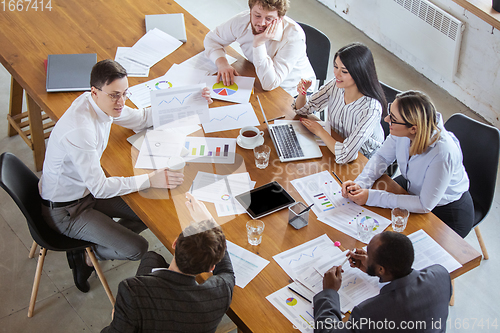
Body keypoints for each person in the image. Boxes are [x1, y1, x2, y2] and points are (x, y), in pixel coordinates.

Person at [39, 59, 213, 293]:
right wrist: (150, 179)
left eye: (124, 93)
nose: (121, 102)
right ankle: (86, 257)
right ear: (94, 92)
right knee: (137, 248)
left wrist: (190, 102)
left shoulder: (102, 103)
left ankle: (106, 233)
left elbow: (141, 119)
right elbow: (100, 188)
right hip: (66, 210)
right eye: (114, 95)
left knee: (147, 211)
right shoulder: (81, 131)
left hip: (86, 192)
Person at [341, 90, 473, 238]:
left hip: (446, 211)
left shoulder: (442, 153)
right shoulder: (405, 130)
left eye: (393, 118)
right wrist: (361, 183)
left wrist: (371, 197)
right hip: (412, 186)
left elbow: (424, 205)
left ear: (413, 128)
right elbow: (383, 157)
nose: (386, 119)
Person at [101, 193, 235, 333]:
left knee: (150, 259)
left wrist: (114, 322)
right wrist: (212, 225)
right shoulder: (219, 296)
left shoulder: (132, 291)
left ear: (175, 243)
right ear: (211, 268)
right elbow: (227, 272)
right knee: (151, 258)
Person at [314, 231, 452, 332]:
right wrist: (373, 269)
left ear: (381, 269)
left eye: (369, 253)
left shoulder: (369, 312)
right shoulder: (441, 274)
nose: (365, 255)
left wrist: (329, 292)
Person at [293, 43, 386, 164]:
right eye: (335, 67)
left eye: (344, 71)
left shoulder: (371, 109)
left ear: (359, 74)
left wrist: (320, 132)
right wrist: (302, 93)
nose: (336, 74)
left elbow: (346, 155)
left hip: (363, 157)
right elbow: (304, 110)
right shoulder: (336, 85)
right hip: (335, 140)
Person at [203, 0, 315, 96]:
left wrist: (259, 43)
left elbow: (269, 84)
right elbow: (211, 39)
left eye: (269, 18)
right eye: (257, 15)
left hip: (291, 92)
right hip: (258, 76)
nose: (261, 23)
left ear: (280, 18)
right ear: (250, 11)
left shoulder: (294, 37)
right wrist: (222, 63)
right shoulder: (242, 21)